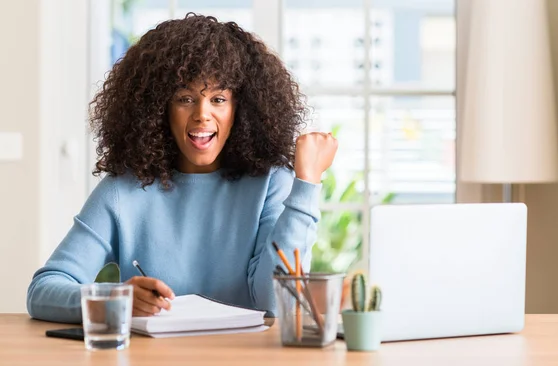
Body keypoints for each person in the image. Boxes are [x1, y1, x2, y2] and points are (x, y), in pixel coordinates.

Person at [26, 13, 338, 323]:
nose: (202, 114)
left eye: (218, 99)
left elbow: (276, 302)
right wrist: (116, 300)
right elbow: (44, 290)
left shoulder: (270, 182)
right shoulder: (124, 189)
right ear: (159, 108)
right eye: (185, 98)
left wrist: (306, 184)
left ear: (240, 110)